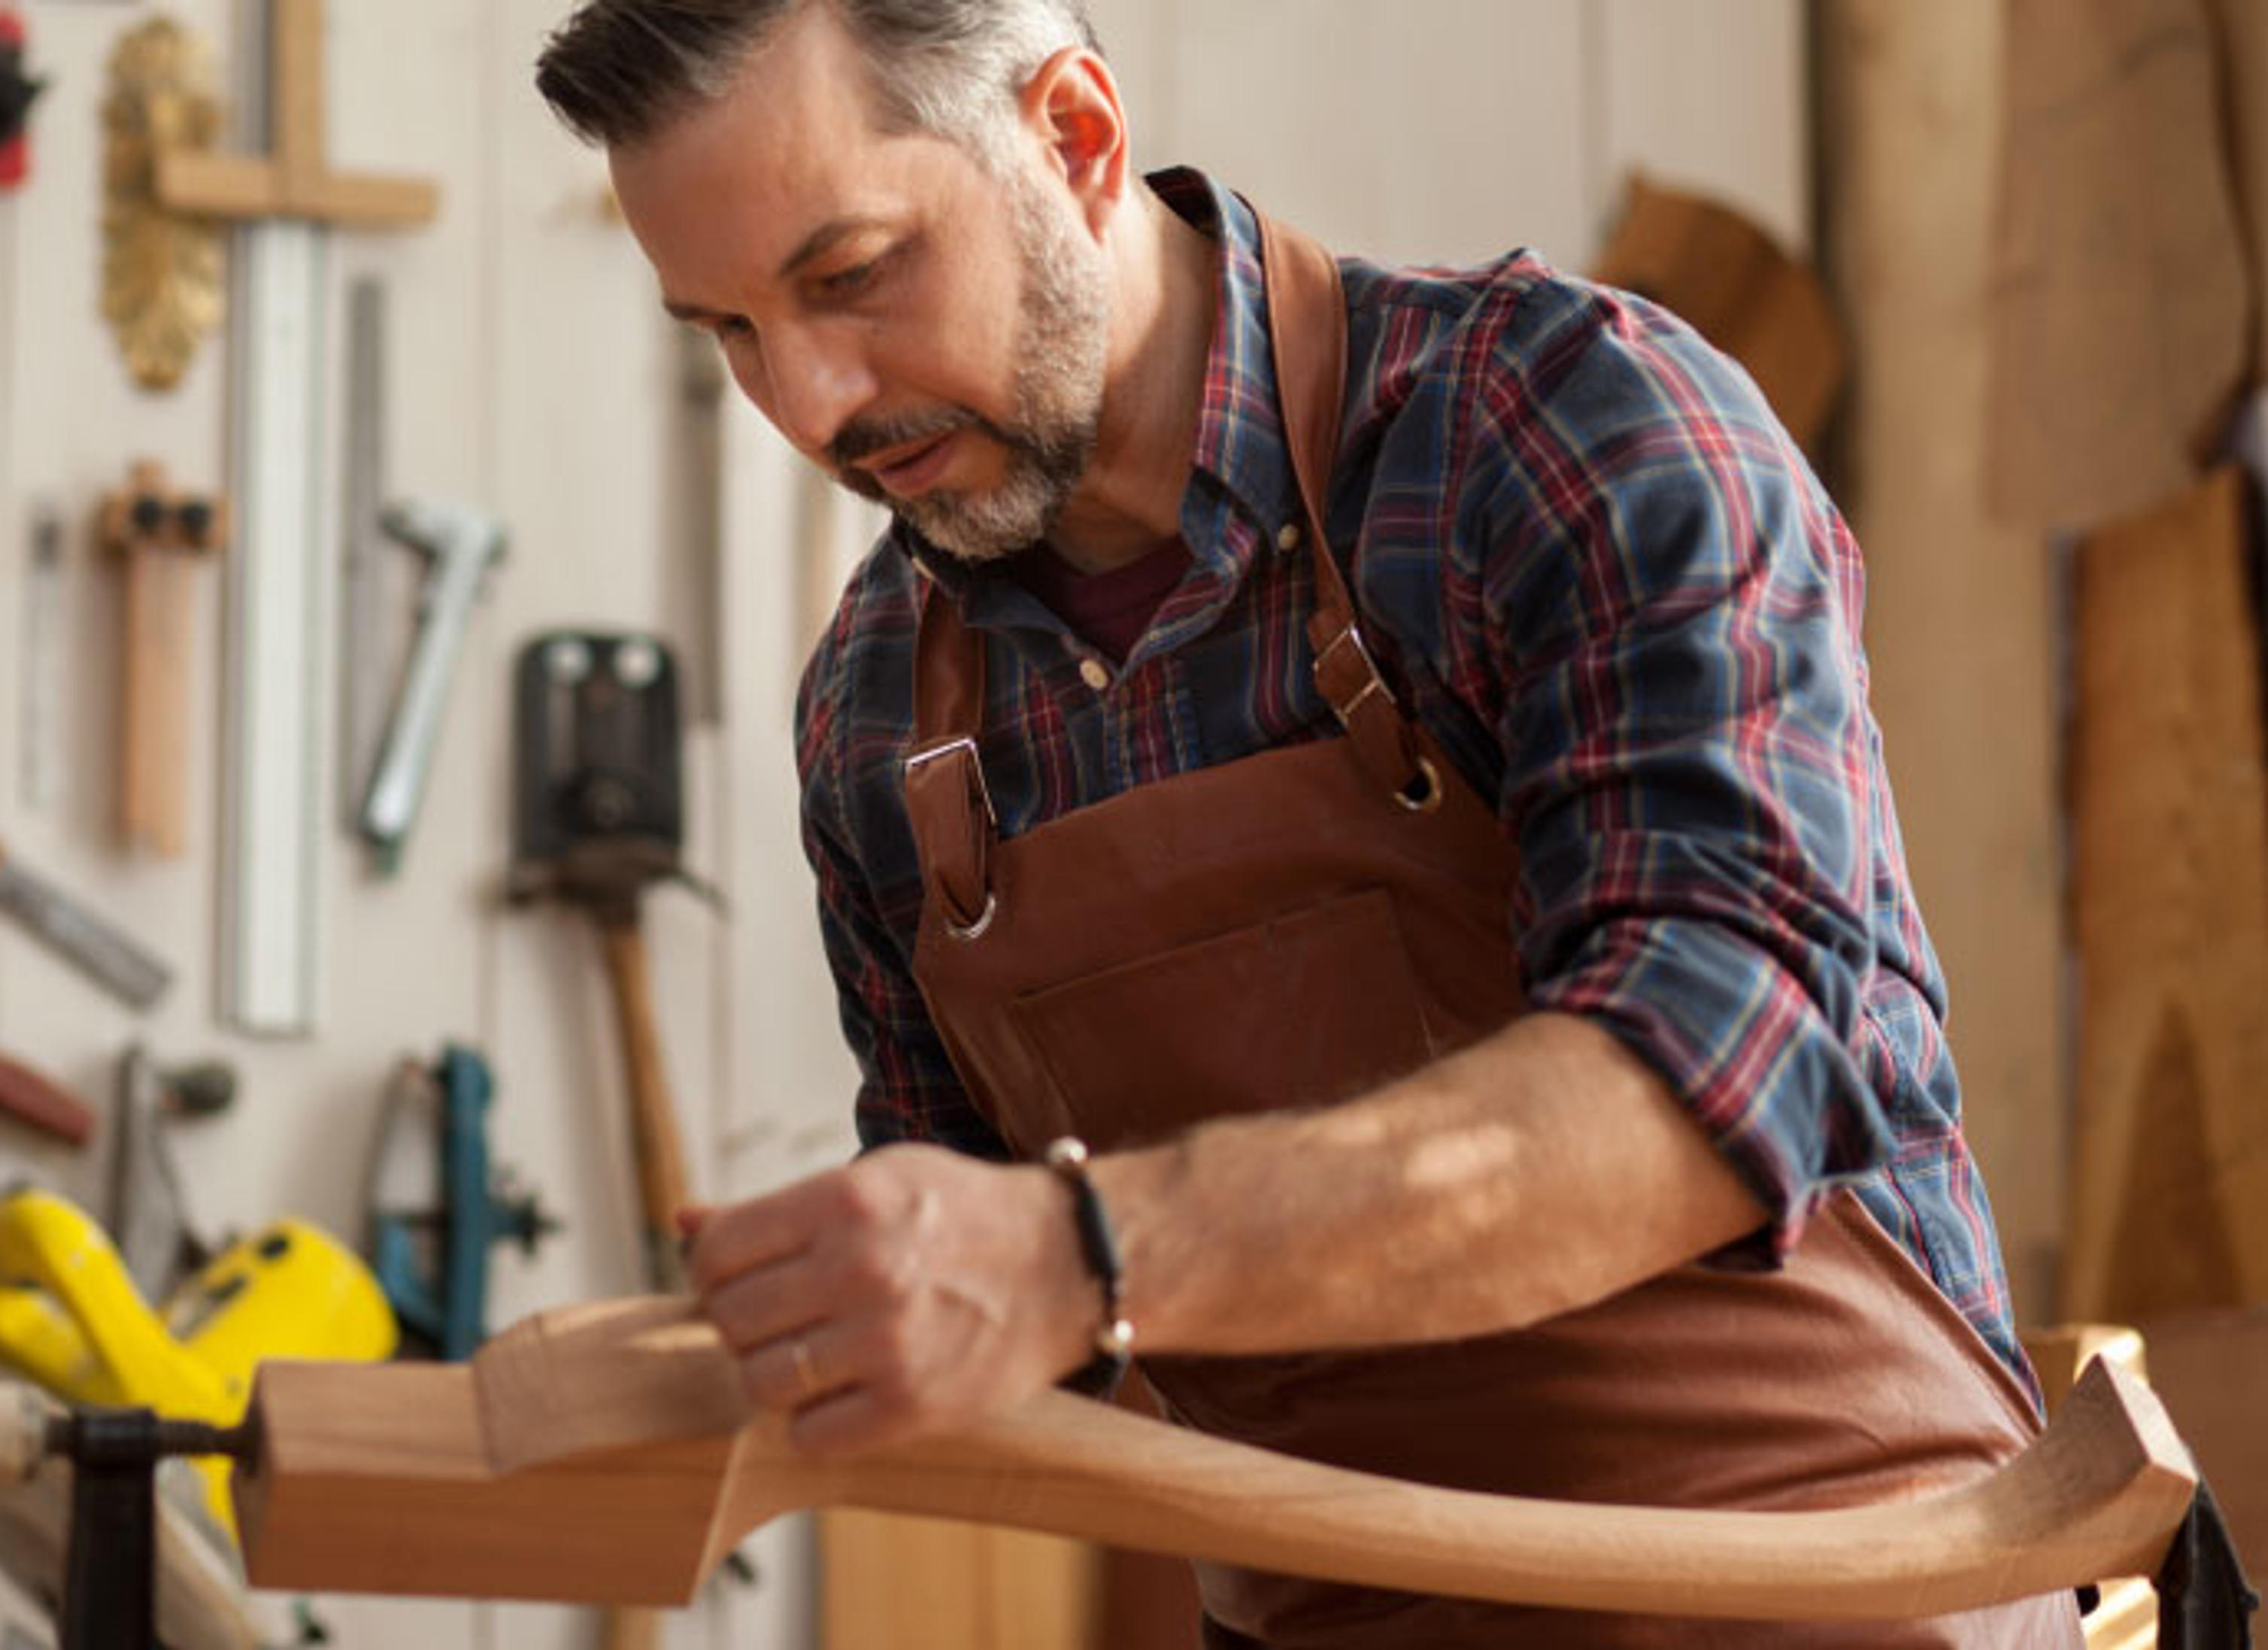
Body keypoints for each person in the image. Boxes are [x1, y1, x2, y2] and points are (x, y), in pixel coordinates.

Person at [535, 4, 2075, 1645]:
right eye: (730, 331)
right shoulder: (875, 714)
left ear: (1074, 136)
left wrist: (1085, 1248)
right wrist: (762, 1368)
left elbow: (1715, 1076)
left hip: (1834, 1596)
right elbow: (1008, 1337)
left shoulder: (1557, 429)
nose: (814, 401)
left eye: (850, 276)